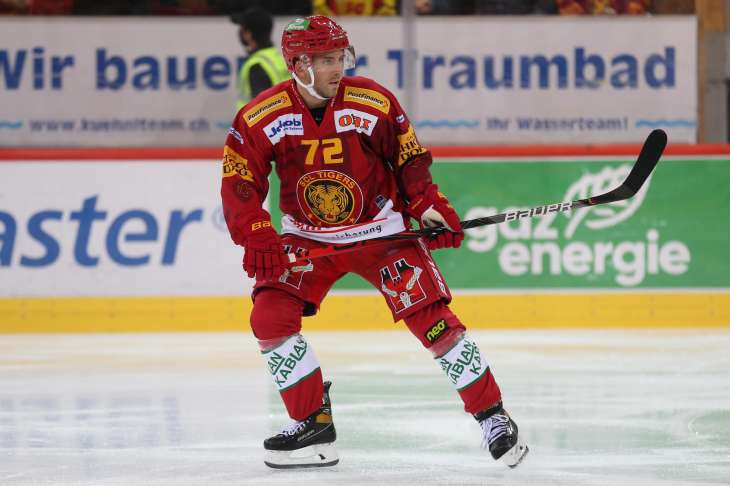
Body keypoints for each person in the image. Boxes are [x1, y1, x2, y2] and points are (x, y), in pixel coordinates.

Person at [219, 15, 529, 470]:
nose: (337, 67)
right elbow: (240, 182)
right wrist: (257, 234)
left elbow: (409, 161)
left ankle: (493, 417)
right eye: (326, 59)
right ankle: (313, 425)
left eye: (340, 56)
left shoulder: (372, 101)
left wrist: (428, 204)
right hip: (308, 240)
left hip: (381, 234)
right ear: (298, 64)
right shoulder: (261, 115)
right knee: (269, 317)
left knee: (434, 322)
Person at [231, 7, 291, 111]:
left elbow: (261, 112)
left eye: (242, 28)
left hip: (261, 121)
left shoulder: (256, 65)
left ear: (248, 34)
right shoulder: (279, 58)